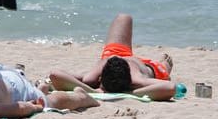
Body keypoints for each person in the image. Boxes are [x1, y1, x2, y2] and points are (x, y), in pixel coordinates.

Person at [48, 13, 176, 101]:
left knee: (164, 67)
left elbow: (171, 87)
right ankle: (163, 65)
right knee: (124, 18)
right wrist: (131, 94)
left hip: (141, 66)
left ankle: (164, 64)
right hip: (116, 56)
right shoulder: (99, 72)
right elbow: (54, 74)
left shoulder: (137, 79)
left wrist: (90, 91)